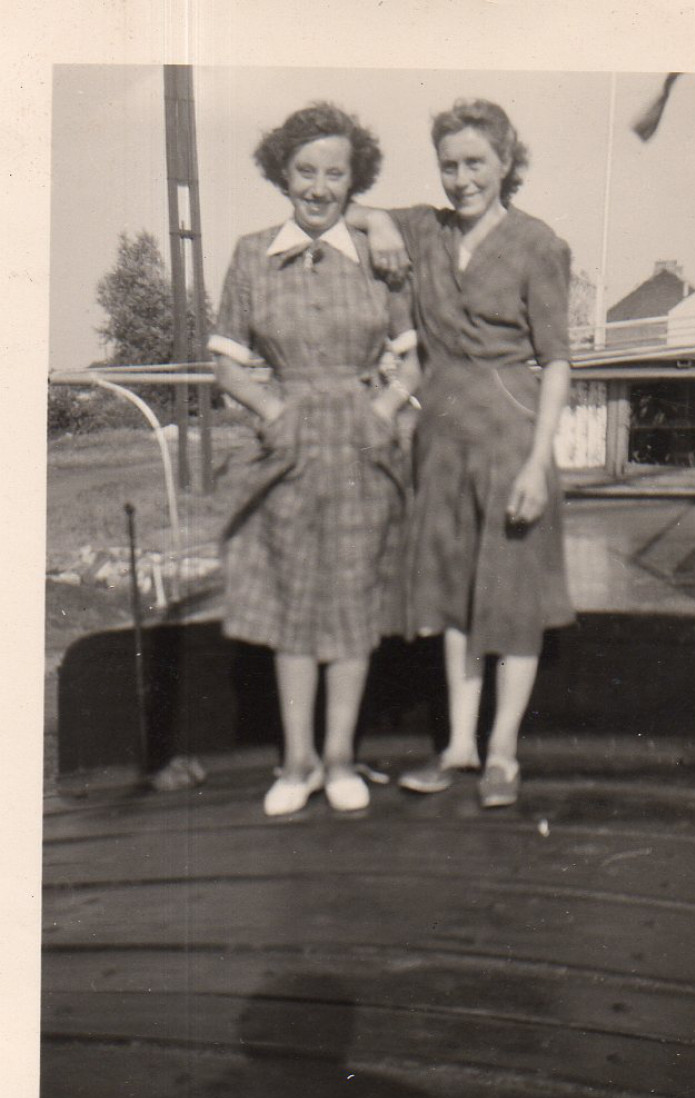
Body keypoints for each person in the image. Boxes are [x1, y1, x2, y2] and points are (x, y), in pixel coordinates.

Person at [347, 98, 575, 807]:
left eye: (476, 162)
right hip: (440, 438)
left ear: (507, 162)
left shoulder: (539, 244)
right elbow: (341, 204)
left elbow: (559, 362)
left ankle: (502, 750)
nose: (462, 177)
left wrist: (539, 462)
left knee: (511, 594)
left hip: (511, 437)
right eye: (449, 164)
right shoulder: (424, 227)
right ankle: (459, 745)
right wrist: (381, 220)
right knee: (452, 595)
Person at [209, 103, 419, 817]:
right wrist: (276, 415)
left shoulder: (382, 259)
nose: (320, 187)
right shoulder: (249, 254)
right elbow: (230, 367)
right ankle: (296, 762)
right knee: (296, 604)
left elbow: (411, 364)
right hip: (288, 447)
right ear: (282, 173)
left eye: (336, 173)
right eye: (307, 171)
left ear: (354, 179)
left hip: (363, 448)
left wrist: (379, 414)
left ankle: (338, 758)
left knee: (356, 603)